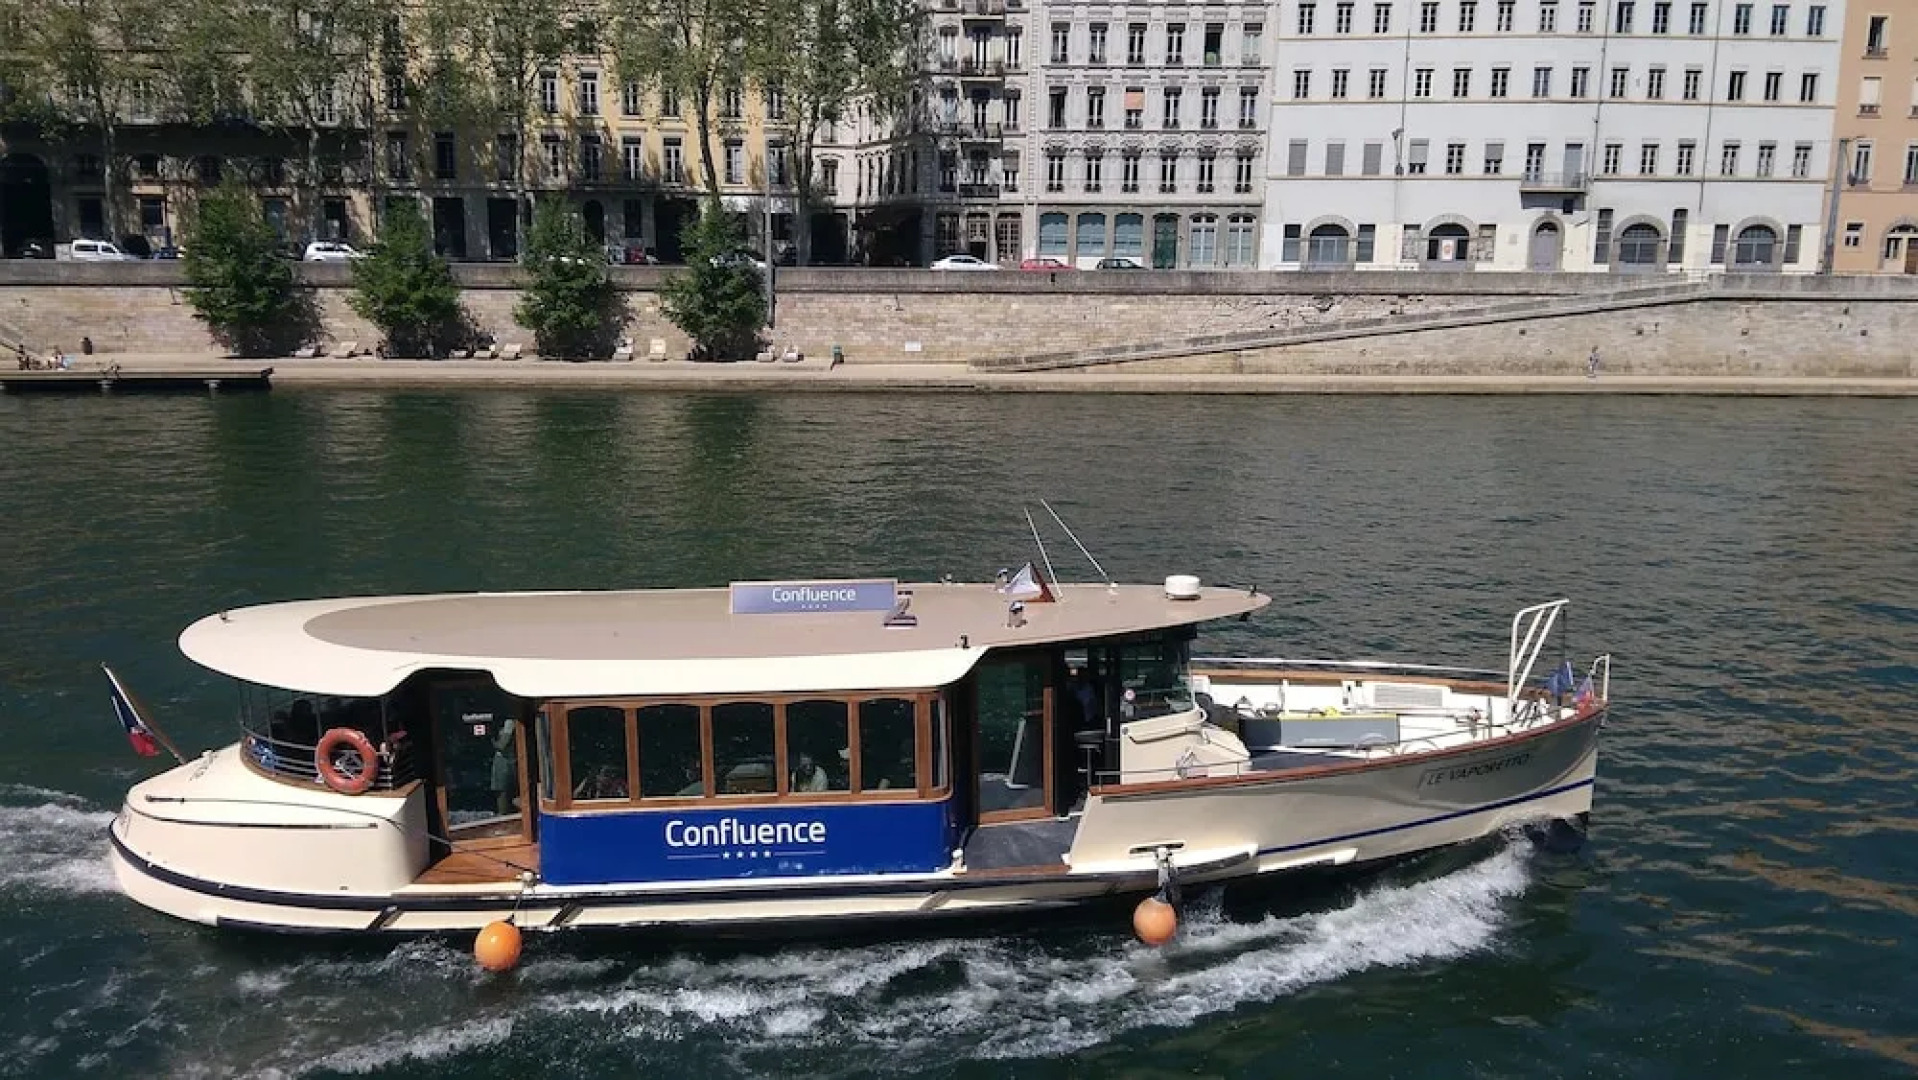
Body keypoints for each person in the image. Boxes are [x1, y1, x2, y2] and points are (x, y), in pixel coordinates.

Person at [490, 717, 518, 815]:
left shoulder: (509, 722)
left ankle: (503, 813)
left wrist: (493, 742)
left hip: (505, 760)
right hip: (508, 759)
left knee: (502, 788)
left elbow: (503, 744)